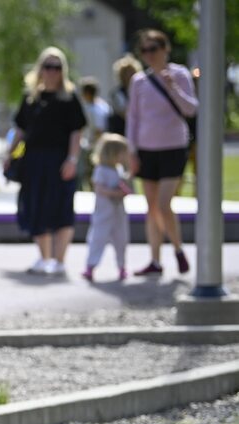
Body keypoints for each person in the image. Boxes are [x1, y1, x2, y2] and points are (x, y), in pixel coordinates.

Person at [5, 47, 87, 276]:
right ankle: (44, 258)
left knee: (62, 208)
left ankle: (59, 261)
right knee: (35, 207)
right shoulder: (31, 97)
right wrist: (9, 154)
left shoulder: (70, 98)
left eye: (57, 67)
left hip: (60, 161)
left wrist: (72, 159)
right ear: (40, 69)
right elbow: (20, 129)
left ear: (63, 71)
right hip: (33, 161)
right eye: (48, 66)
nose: (52, 72)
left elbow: (76, 132)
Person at [126, 29, 198, 277]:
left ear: (165, 49)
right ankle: (155, 260)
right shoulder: (138, 81)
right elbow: (133, 118)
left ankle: (177, 249)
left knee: (165, 204)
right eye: (144, 51)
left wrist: (173, 88)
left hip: (173, 148)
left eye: (153, 49)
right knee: (152, 207)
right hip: (147, 150)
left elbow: (191, 109)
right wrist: (131, 151)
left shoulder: (180, 74)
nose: (149, 55)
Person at [82, 134, 132, 283]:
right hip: (103, 214)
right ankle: (90, 266)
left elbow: (123, 184)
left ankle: (122, 266)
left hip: (118, 213)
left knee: (121, 240)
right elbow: (99, 188)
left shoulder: (119, 169)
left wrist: (124, 189)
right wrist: (115, 193)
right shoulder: (101, 170)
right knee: (98, 239)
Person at [78, 77, 111, 189]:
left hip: (93, 145)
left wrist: (92, 145)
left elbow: (99, 130)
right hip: (90, 144)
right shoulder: (102, 106)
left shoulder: (96, 109)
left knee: (91, 173)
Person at [107, 56, 141, 136]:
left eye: (131, 72)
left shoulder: (141, 91)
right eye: (126, 72)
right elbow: (124, 113)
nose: (129, 75)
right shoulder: (116, 93)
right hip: (121, 132)